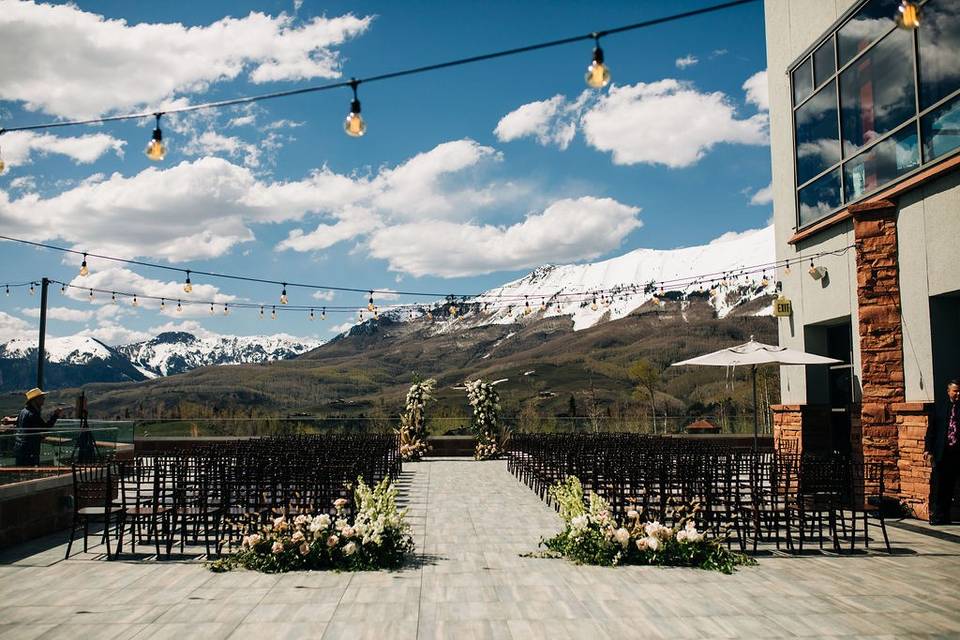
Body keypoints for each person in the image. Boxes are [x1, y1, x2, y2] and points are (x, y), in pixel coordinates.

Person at [926, 379, 960, 525]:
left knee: (954, 485)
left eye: (959, 391)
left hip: (957, 452)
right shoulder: (940, 407)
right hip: (943, 452)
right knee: (941, 485)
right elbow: (931, 431)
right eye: (955, 391)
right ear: (949, 392)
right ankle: (939, 516)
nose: (958, 394)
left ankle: (950, 514)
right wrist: (928, 449)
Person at [13, 388, 62, 466]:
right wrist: (55, 415)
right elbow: (45, 427)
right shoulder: (33, 414)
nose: (44, 399)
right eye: (41, 398)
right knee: (30, 472)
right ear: (35, 400)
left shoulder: (23, 411)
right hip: (30, 449)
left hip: (20, 448)